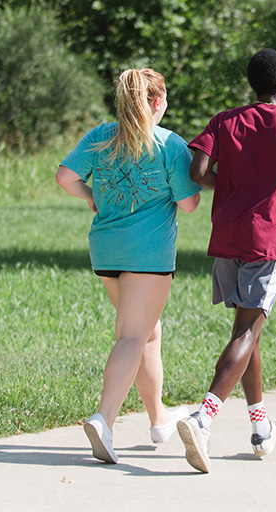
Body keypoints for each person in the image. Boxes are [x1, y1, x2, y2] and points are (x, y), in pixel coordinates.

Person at [176, 48, 276, 473]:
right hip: (267, 242)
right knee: (246, 331)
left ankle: (261, 428)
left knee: (247, 333)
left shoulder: (225, 120)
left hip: (227, 236)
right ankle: (202, 418)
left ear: (251, 84)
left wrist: (229, 182)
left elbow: (197, 170)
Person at [55, 68, 202, 464]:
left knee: (148, 332)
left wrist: (91, 196)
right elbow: (189, 204)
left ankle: (158, 419)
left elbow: (65, 176)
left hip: (106, 250)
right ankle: (104, 418)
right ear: (157, 102)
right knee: (132, 335)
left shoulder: (100, 136)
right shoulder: (170, 144)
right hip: (148, 254)